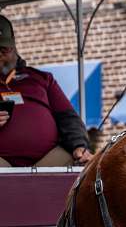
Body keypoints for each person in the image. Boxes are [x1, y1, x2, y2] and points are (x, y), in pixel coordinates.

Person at [0, 14, 93, 167]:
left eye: (4, 50)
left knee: (80, 162)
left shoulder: (41, 78)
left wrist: (79, 145)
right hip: (2, 163)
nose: (0, 56)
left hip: (48, 158)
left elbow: (68, 117)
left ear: (13, 48)